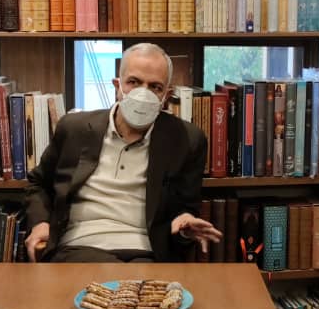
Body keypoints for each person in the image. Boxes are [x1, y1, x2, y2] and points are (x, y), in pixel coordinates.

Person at [24, 42, 222, 263]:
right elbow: (38, 183)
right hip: (80, 247)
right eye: (134, 82)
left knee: (143, 281)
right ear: (117, 86)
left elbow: (186, 209)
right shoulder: (74, 128)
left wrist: (184, 223)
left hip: (147, 253)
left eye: (155, 87)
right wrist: (40, 223)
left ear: (166, 95)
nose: (143, 94)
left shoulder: (187, 140)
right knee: (116, 277)